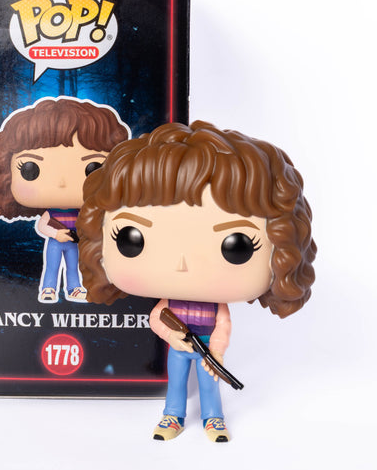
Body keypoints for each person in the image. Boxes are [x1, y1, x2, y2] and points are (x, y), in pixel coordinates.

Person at [77, 120, 316, 441]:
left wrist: (216, 349)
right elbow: (158, 318)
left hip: (207, 349)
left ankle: (213, 418)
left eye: (236, 246)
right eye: (132, 238)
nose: (182, 265)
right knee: (176, 383)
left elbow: (223, 324)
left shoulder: (215, 306)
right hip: (179, 348)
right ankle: (172, 415)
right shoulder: (169, 303)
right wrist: (173, 337)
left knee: (209, 383)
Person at [0, 97, 130, 303]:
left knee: (74, 266)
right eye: (30, 169)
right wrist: (56, 233)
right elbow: (42, 226)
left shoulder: (82, 213)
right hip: (55, 242)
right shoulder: (50, 213)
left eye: (93, 168)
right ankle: (48, 289)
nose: (62, 183)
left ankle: (74, 288)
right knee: (52, 266)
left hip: (74, 242)